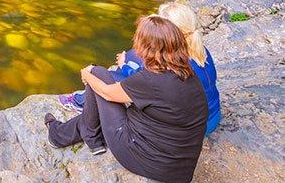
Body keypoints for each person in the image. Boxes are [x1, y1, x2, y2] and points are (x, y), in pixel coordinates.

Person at [45, 15, 208, 183]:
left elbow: (106, 92)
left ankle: (72, 137)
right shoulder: (187, 72)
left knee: (98, 74)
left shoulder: (151, 80)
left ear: (145, 46)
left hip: (143, 157)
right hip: (180, 167)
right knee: (99, 106)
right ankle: (81, 135)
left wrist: (87, 73)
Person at [59, 2, 222, 136]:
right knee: (133, 59)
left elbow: (148, 85)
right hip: (212, 117)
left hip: (194, 129)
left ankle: (82, 101)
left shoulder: (173, 66)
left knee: (119, 72)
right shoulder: (199, 49)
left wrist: (125, 65)